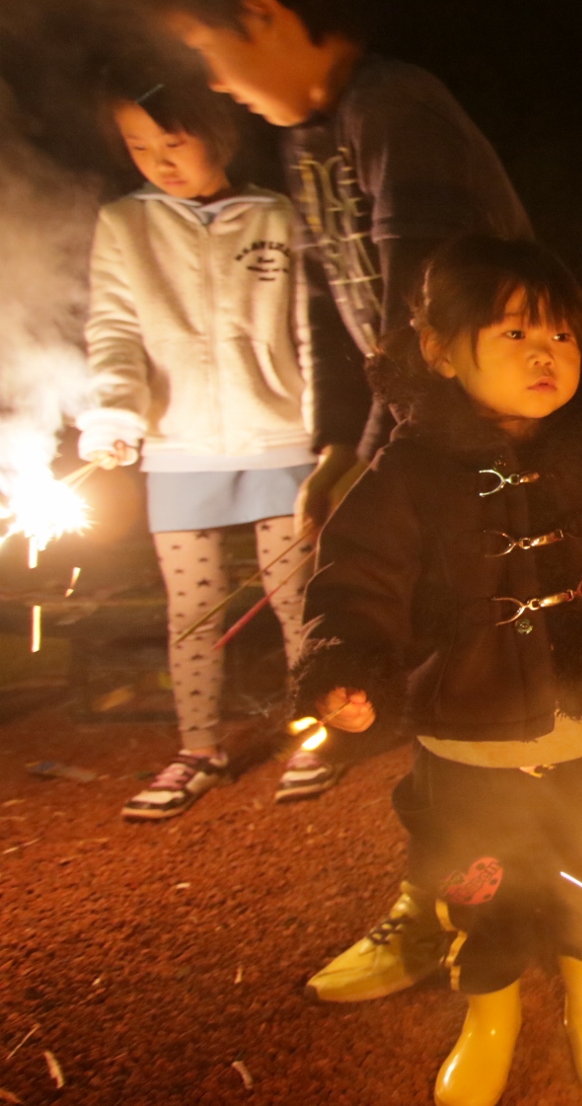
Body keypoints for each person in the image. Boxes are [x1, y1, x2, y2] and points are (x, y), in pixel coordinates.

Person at [164, 0, 533, 1003]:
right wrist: (342, 450)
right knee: (448, 694)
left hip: (485, 447)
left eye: (216, 57)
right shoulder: (313, 140)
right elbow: (359, 323)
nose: (222, 87)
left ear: (261, 9)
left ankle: (508, 909)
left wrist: (375, 472)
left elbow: (426, 330)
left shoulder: (394, 111)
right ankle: (461, 901)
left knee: (481, 690)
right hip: (425, 441)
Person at [293, 235, 582, 1106]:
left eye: (560, 336)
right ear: (440, 350)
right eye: (514, 334)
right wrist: (351, 670)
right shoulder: (406, 475)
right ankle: (493, 1016)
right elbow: (356, 585)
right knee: (478, 889)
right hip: (467, 746)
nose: (545, 354)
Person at [78, 69, 337, 819]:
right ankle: (199, 748)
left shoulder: (279, 216)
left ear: (215, 132)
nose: (157, 160)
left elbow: (309, 330)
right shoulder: (124, 224)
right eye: (136, 145)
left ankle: (317, 732)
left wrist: (327, 436)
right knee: (191, 611)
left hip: (280, 436)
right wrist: (117, 414)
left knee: (298, 602)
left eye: (172, 140)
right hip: (178, 443)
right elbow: (115, 331)